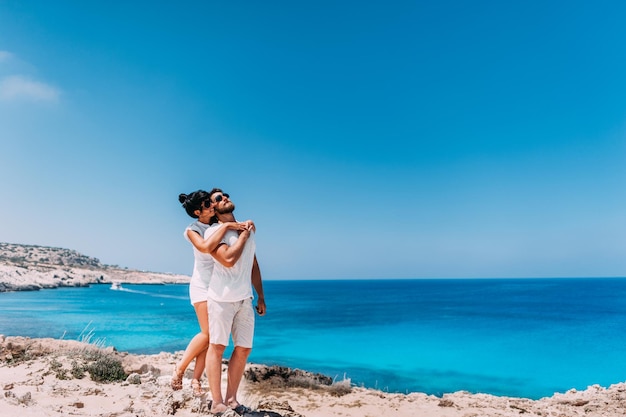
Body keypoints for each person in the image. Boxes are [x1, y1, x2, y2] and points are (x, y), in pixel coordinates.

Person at [174, 190, 254, 397]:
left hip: (219, 285)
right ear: (197, 211)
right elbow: (205, 248)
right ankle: (181, 369)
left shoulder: (213, 226)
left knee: (212, 340)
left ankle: (195, 380)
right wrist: (228, 225)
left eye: (212, 203)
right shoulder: (193, 229)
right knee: (208, 335)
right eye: (207, 204)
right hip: (203, 285)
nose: (212, 206)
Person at [204, 188, 266, 416]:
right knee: (218, 347)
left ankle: (231, 400)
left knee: (243, 349)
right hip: (221, 299)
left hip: (244, 300)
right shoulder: (213, 232)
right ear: (213, 209)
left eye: (225, 195)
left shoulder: (245, 228)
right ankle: (217, 402)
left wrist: (260, 295)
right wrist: (244, 234)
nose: (225, 198)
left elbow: (253, 264)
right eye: (218, 199)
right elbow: (228, 259)